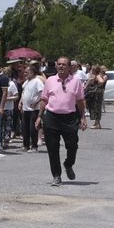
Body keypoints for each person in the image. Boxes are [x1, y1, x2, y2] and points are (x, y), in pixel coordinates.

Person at [38, 57, 87, 187]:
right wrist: (39, 116)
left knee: (72, 145)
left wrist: (83, 117)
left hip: (70, 117)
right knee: (52, 148)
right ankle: (56, 175)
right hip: (52, 117)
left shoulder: (76, 81)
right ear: (56, 66)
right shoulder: (50, 80)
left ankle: (68, 164)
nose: (61, 67)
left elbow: (80, 101)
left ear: (69, 67)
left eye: (64, 64)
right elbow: (44, 99)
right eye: (59, 64)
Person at [19, 63, 45, 152]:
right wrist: (20, 102)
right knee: (24, 128)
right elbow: (23, 93)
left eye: (27, 72)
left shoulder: (37, 81)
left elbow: (42, 94)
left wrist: (36, 102)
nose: (25, 74)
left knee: (32, 128)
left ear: (33, 72)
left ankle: (34, 146)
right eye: (25, 72)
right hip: (25, 108)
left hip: (34, 109)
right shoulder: (26, 82)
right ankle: (25, 145)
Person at [86, 65, 109, 129]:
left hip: (97, 93)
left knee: (96, 108)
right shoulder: (95, 75)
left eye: (92, 69)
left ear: (94, 70)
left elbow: (101, 82)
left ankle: (97, 124)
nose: (91, 70)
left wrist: (98, 86)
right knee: (95, 107)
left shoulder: (98, 75)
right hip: (97, 93)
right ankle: (96, 123)